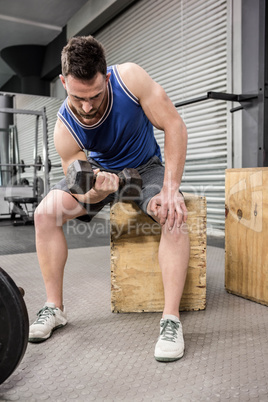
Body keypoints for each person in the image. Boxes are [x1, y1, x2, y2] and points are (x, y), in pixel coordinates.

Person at [29, 35, 189, 362]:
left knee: (172, 213)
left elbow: (174, 125)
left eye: (95, 95)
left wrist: (171, 188)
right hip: (99, 174)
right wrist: (99, 191)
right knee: (44, 214)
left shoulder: (130, 79)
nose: (87, 107)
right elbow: (80, 181)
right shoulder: (64, 127)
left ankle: (171, 319)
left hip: (145, 169)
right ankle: (54, 307)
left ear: (107, 76)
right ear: (62, 83)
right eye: (77, 97)